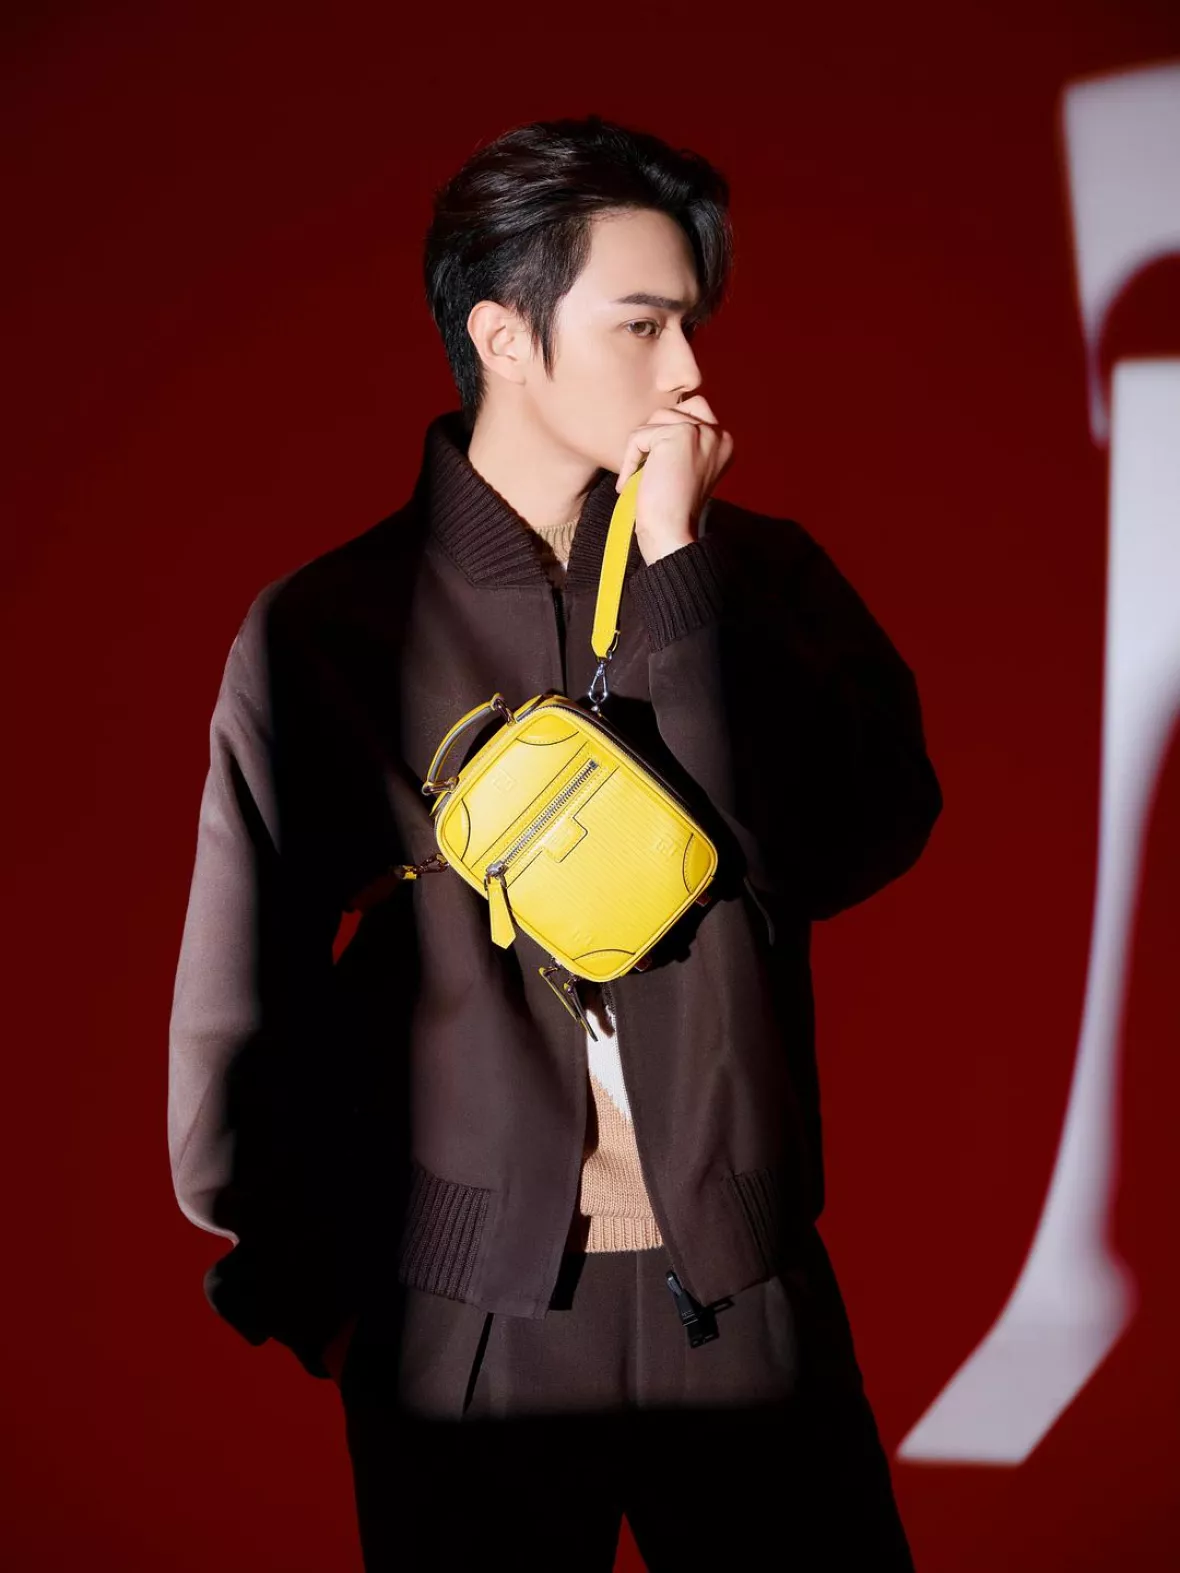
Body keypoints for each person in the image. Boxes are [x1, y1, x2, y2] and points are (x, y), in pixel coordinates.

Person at [168, 112, 942, 1570]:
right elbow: (241, 992)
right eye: (643, 326)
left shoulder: (759, 579)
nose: (689, 370)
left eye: (691, 325)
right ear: (503, 337)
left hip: (749, 1303)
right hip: (466, 1329)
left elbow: (848, 840)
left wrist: (680, 580)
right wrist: (319, 1294)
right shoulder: (332, 628)